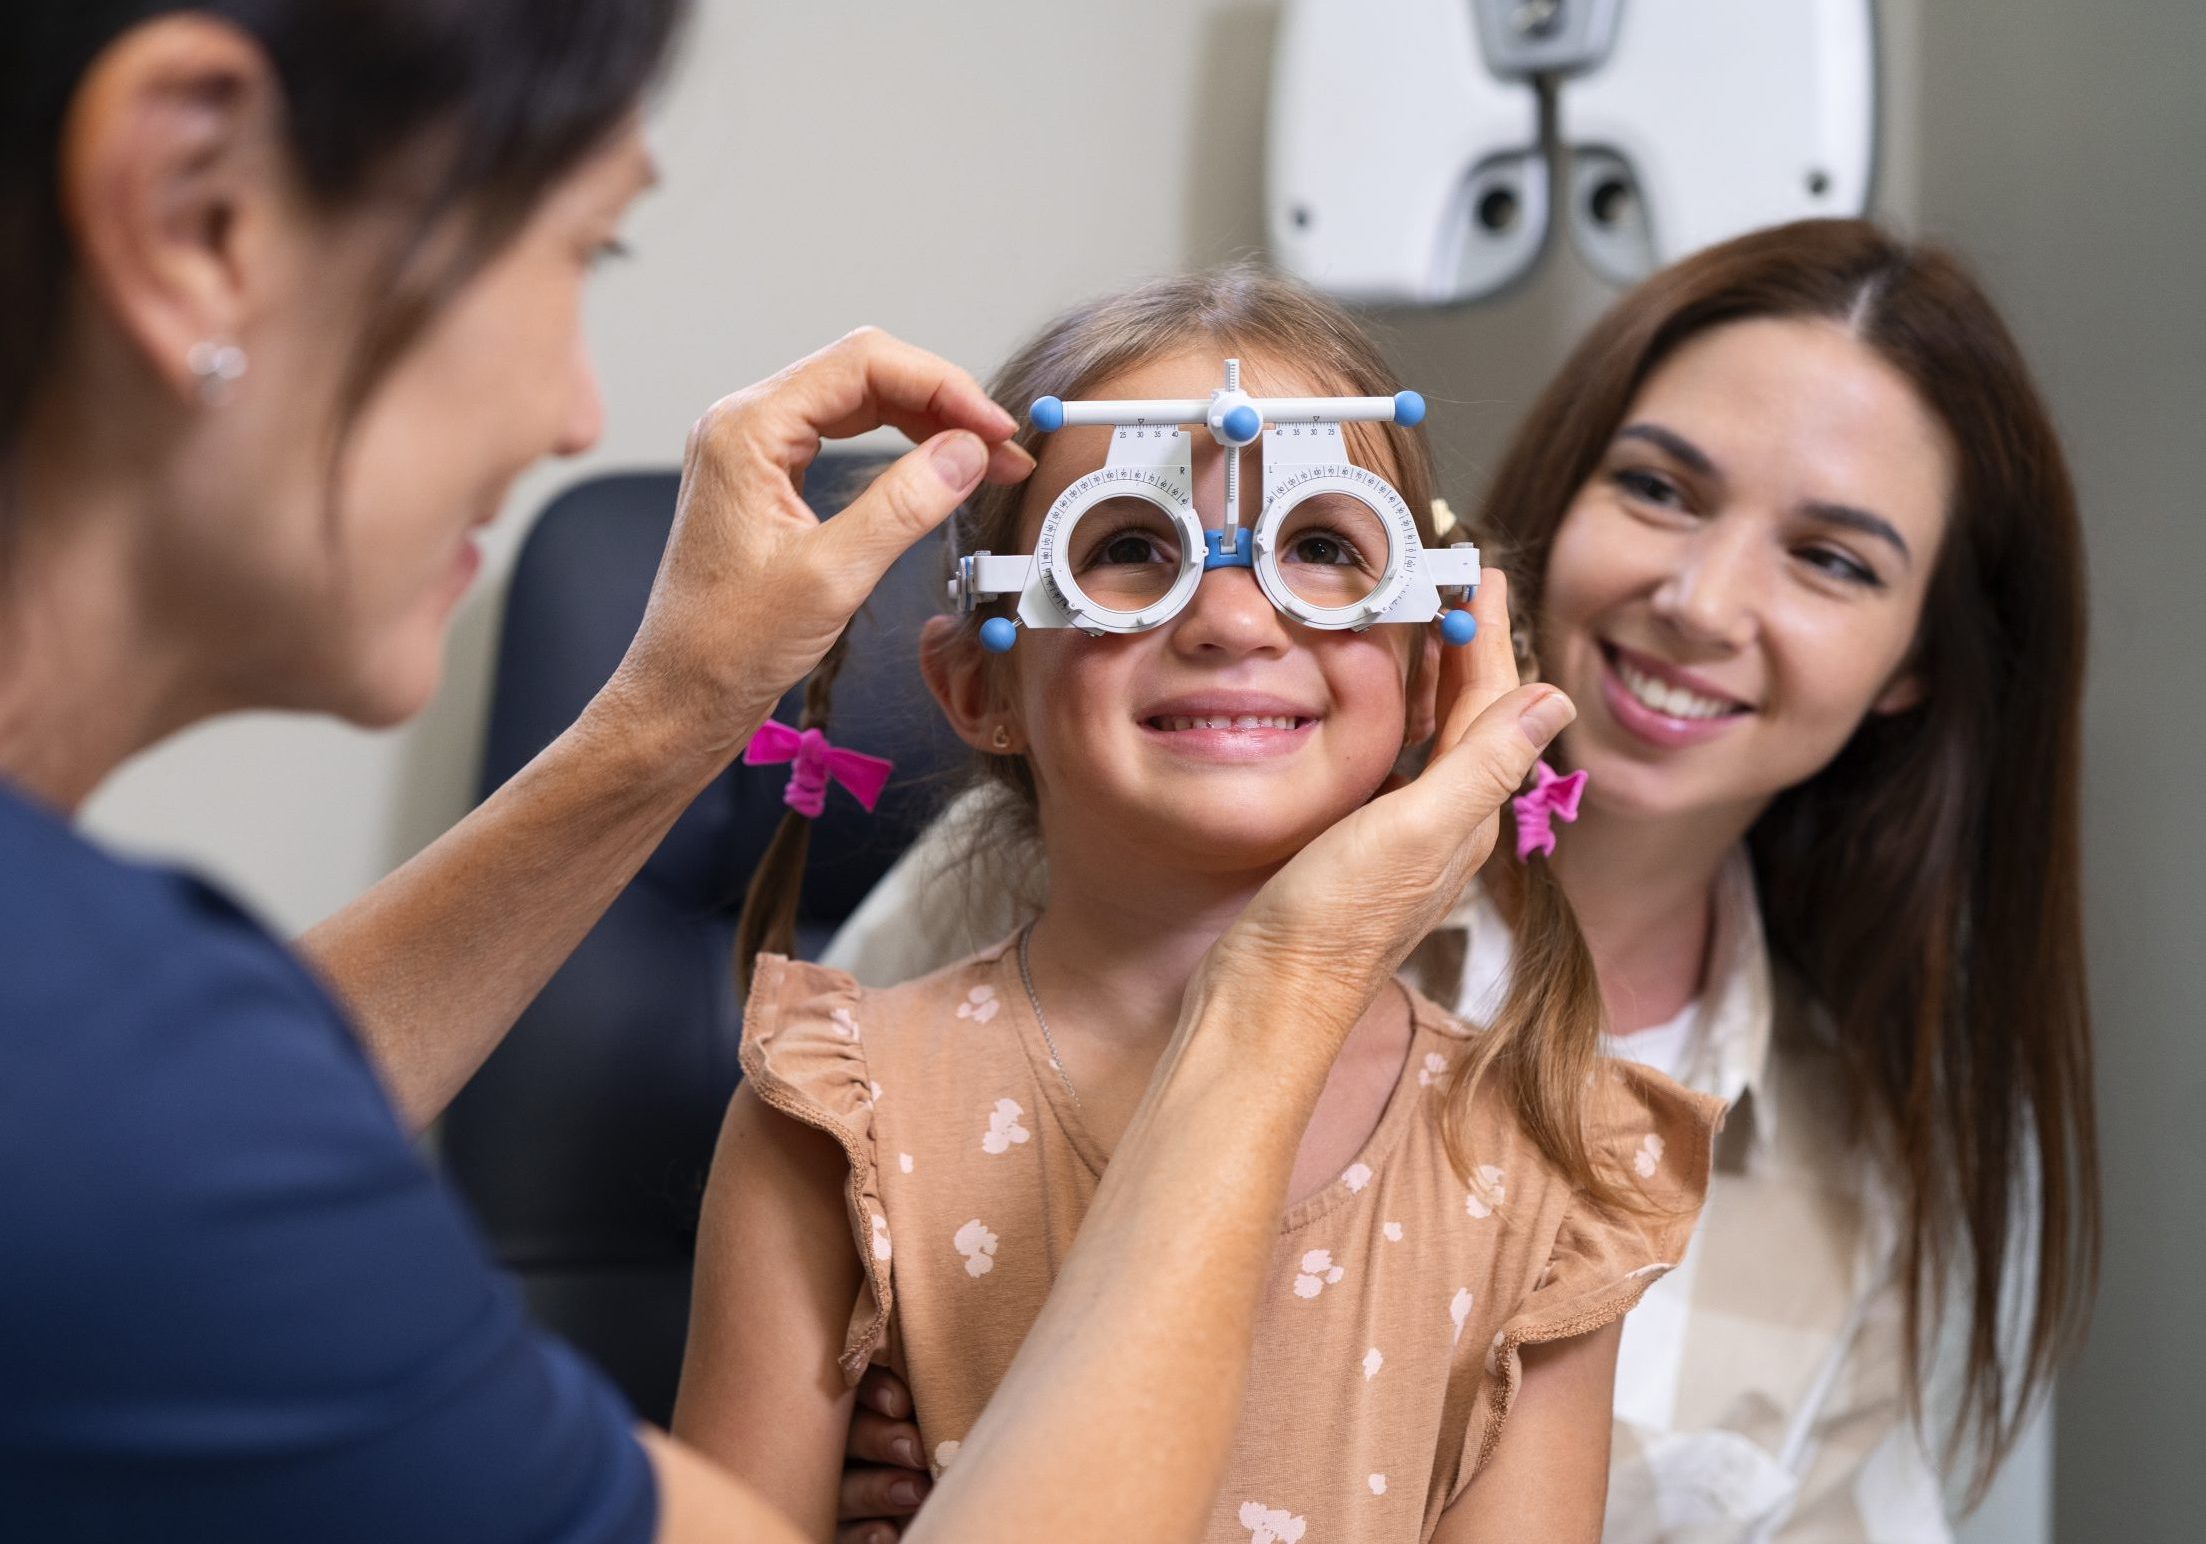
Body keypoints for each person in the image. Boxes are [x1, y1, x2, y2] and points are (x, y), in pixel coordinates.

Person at [0, 4, 1579, 1541]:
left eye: (1318, 550)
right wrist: (1289, 977)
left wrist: (668, 712)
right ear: (196, 213)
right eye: (576, 251)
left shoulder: (132, 1076)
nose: (578, 413)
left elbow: (205, 1145)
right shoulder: (832, 1113)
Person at [823, 222, 2099, 1544]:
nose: (1702, 602)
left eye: (1831, 561)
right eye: (1659, 489)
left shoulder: (1889, 1165)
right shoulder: (1118, 852)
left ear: (1916, 664)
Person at [671, 269, 1725, 1544]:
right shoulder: (836, 1114)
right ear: (975, 685)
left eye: (1323, 549)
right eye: (1126, 547)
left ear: (1431, 654)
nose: (1231, 616)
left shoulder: (1543, 1154)